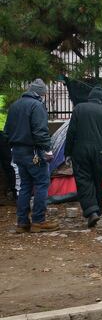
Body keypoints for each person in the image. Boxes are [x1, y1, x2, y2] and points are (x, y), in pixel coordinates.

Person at [3, 79, 58, 233]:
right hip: (34, 152)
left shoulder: (15, 105)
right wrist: (47, 149)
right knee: (41, 184)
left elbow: (6, 131)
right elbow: (40, 131)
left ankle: (22, 222)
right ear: (41, 93)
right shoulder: (37, 106)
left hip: (18, 152)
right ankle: (38, 221)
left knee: (25, 186)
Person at [63, 87, 102, 228]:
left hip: (80, 151)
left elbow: (71, 132)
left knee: (84, 180)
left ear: (89, 97)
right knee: (97, 181)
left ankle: (91, 211)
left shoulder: (79, 109)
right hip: (100, 152)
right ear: (101, 99)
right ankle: (97, 210)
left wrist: (67, 153)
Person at [0, 94, 15, 201]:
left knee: (7, 165)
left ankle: (11, 191)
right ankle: (12, 191)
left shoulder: (6, 98)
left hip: (4, 135)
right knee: (8, 165)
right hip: (4, 135)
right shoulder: (7, 98)